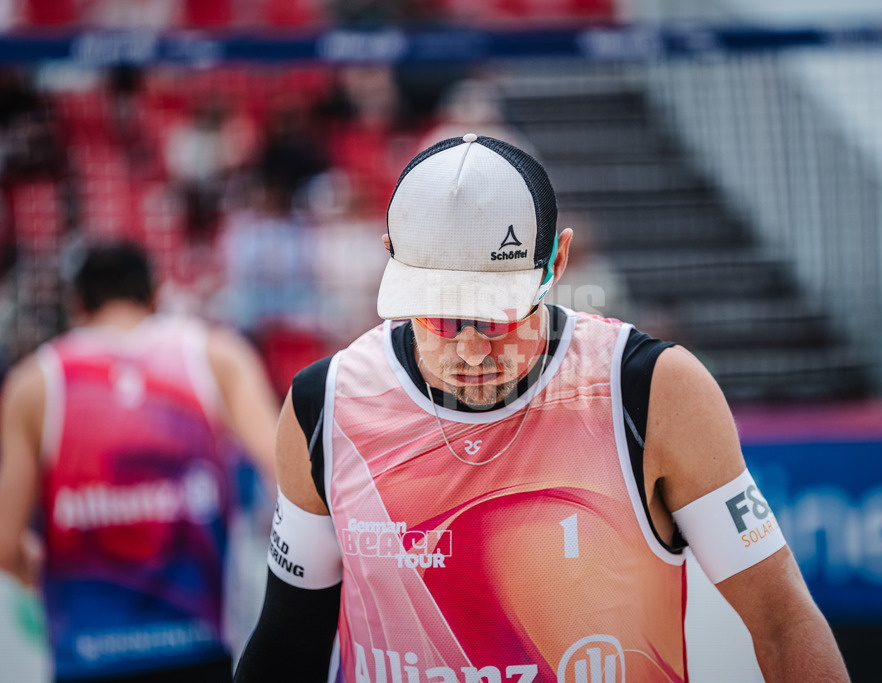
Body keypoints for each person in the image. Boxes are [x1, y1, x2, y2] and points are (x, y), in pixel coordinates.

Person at [233, 134, 849, 682]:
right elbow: (289, 644)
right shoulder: (328, 403)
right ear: (391, 255)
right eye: (442, 317)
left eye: (500, 315)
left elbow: (781, 620)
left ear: (558, 260)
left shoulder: (651, 391)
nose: (472, 350)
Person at [0, 240, 280, 683]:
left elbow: (3, 541)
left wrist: (39, 576)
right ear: (155, 294)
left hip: (88, 652)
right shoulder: (215, 355)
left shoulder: (34, 383)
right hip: (199, 642)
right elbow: (288, 469)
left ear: (78, 305)